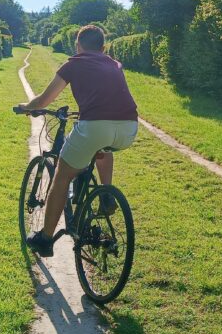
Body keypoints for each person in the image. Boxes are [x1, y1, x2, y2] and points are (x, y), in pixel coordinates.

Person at [16, 25, 138, 256]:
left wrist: (27, 107)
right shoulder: (114, 64)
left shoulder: (74, 64)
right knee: (103, 147)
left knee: (62, 175)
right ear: (103, 48)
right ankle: (105, 194)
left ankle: (45, 238)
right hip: (129, 128)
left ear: (77, 46)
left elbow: (44, 100)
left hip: (95, 128)